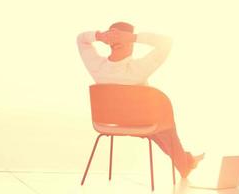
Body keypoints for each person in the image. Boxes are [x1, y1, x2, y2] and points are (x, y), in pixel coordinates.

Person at [76, 21, 204, 178]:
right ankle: (185, 163)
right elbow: (166, 43)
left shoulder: (97, 67)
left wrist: (99, 36)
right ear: (130, 43)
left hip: (110, 122)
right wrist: (134, 37)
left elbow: (81, 39)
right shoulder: (138, 69)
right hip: (140, 123)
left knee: (157, 128)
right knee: (163, 127)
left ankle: (187, 160)